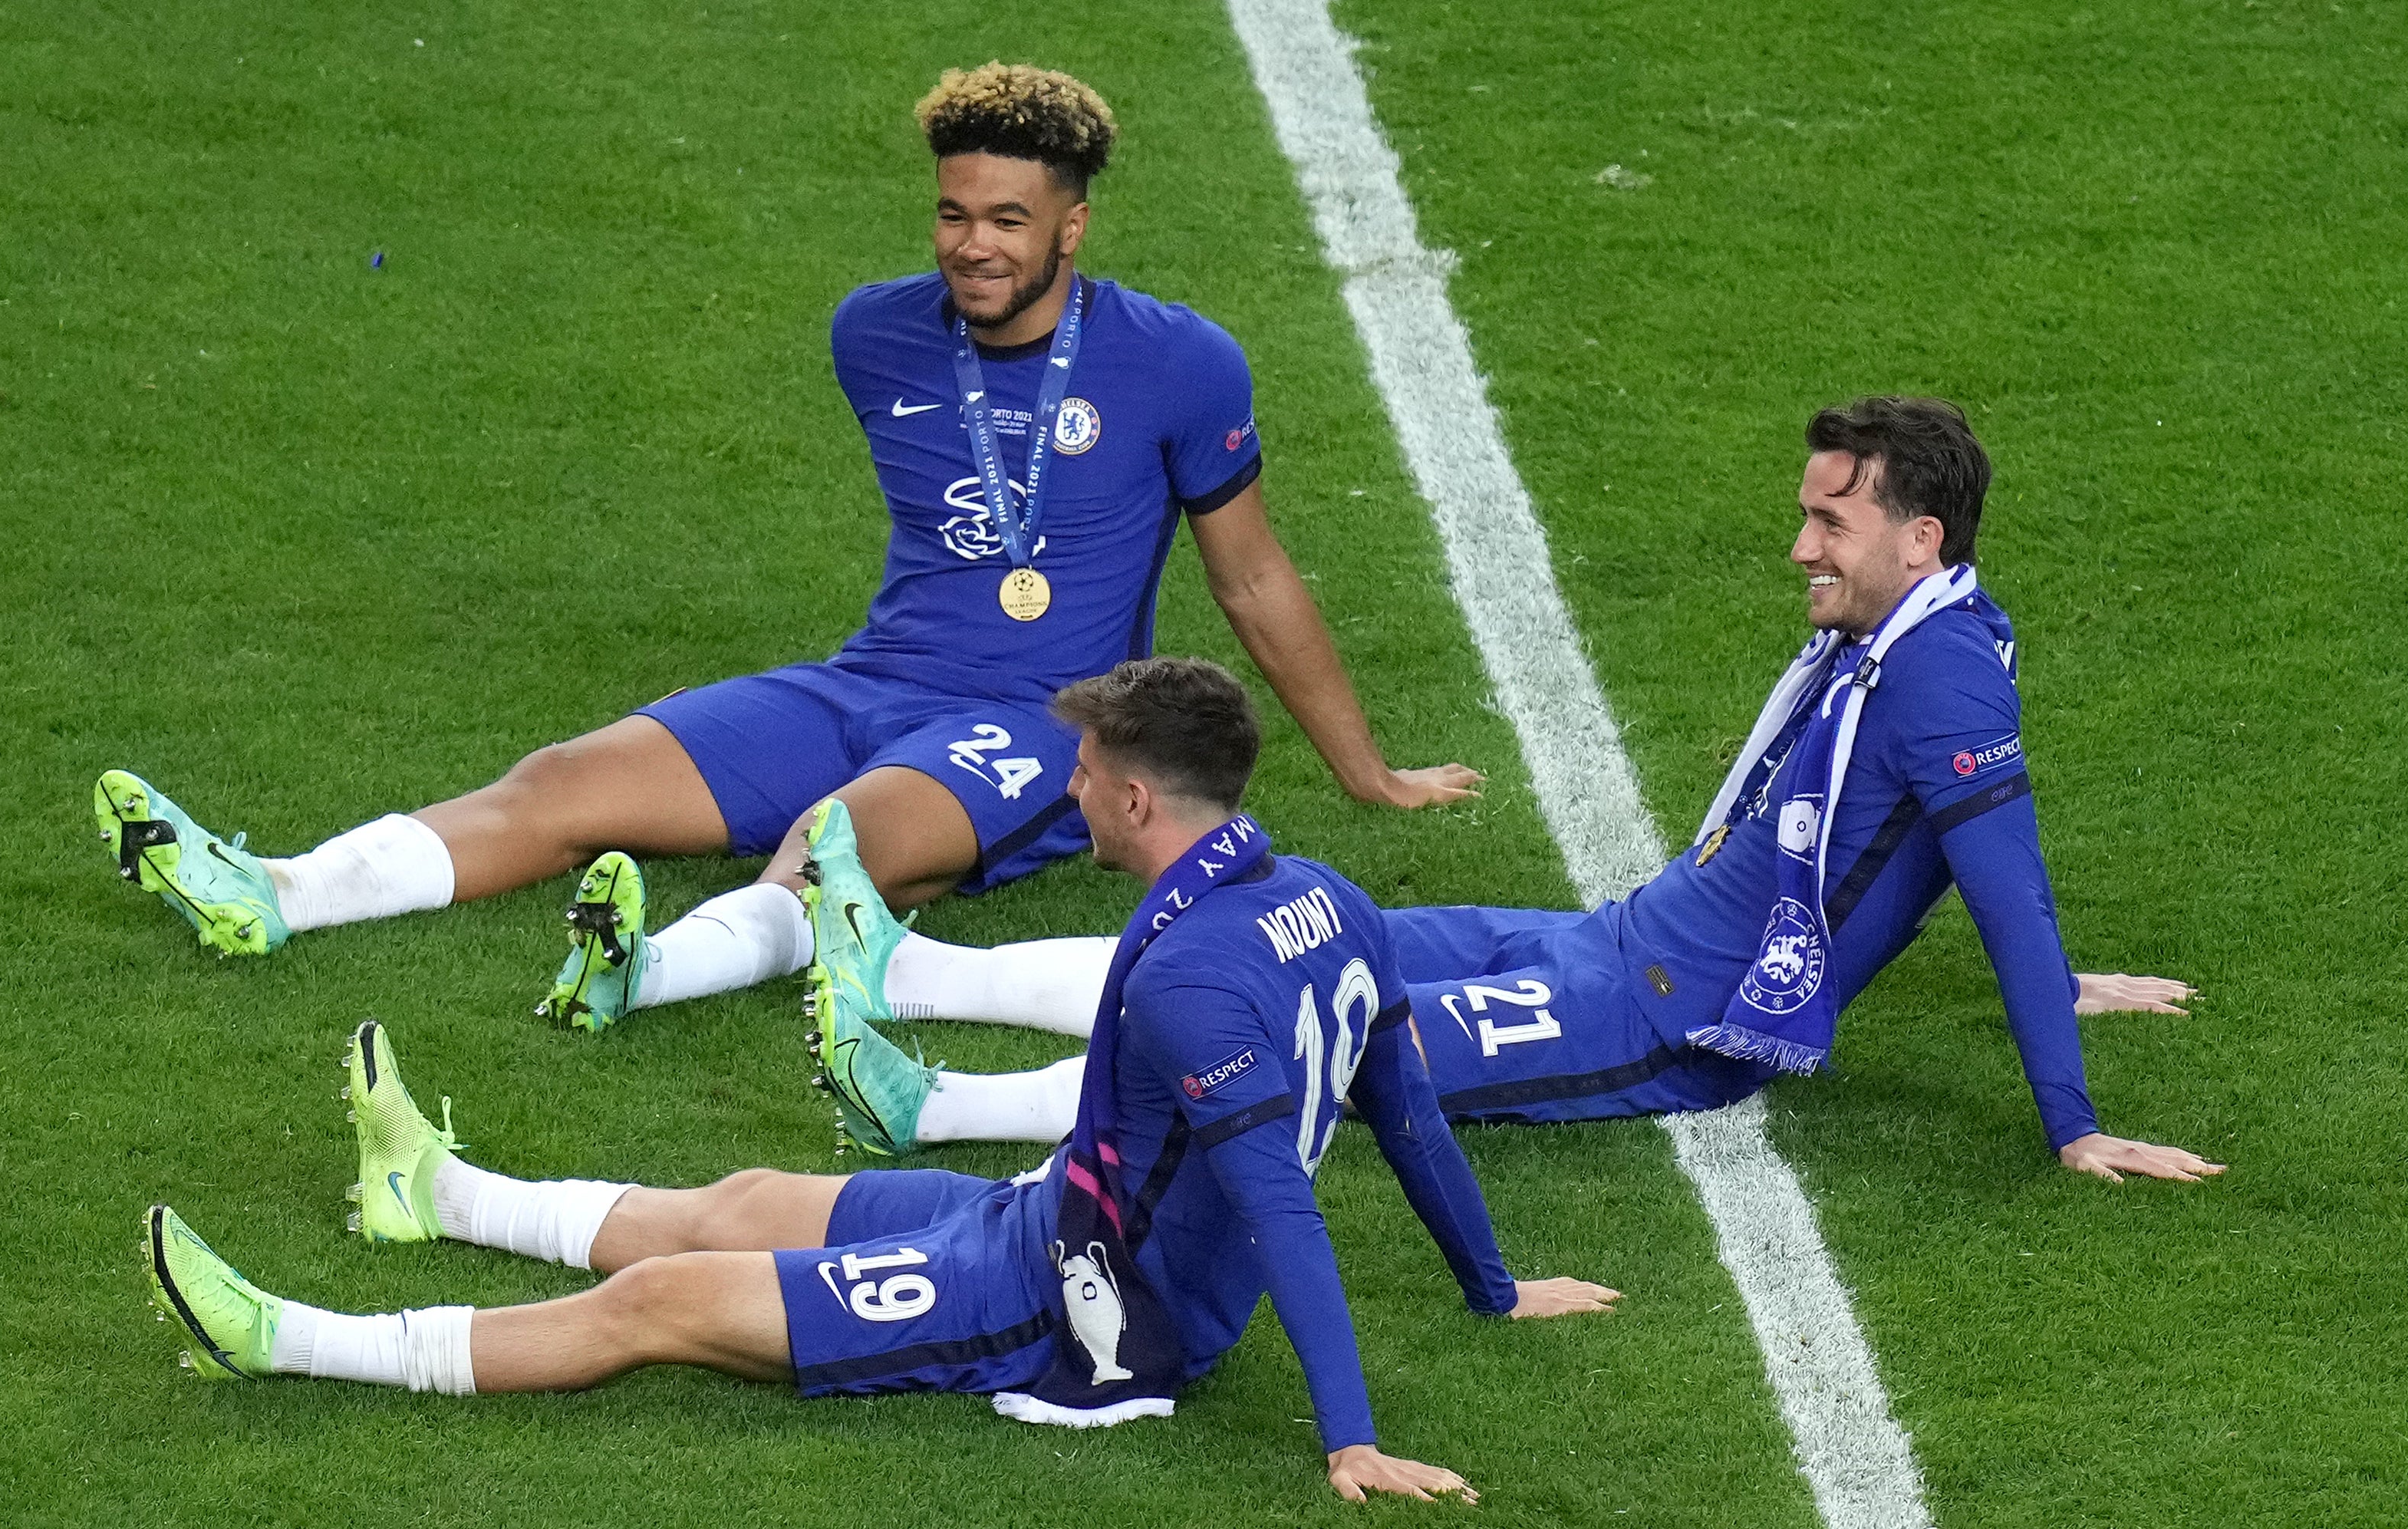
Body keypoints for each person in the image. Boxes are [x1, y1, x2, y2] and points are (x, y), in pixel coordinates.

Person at [87, 62, 1478, 1041]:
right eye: (953, 213)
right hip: (866, 683)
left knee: (842, 850)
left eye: (1007, 220)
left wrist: (1366, 772)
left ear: (1072, 223)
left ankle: (642, 977)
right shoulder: (872, 335)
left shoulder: (1179, 363)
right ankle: (277, 895)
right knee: (568, 779)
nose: (973, 247)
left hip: (1037, 726)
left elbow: (1251, 575)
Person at [140, 660, 1608, 1501]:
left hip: (1074, 1319)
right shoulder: (1325, 898)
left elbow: (1279, 1202)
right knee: (744, 1201)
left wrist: (1349, 1437)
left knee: (661, 1310)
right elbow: (1401, 1101)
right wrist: (1492, 1287)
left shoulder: (1188, 976)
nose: (1069, 785)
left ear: (1141, 800)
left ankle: (292, 1343)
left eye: (1087, 771)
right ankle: (432, 1193)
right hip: (1055, 1222)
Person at [835, 397, 2219, 1183]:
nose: (1799, 544)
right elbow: (1960, 858)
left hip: (1663, 1015)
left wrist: (2073, 1118)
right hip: (1619, 935)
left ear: (1920, 541)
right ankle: (908, 967)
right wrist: (2065, 969)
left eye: (1830, 523)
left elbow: (1993, 865)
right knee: (1290, 938)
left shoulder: (1942, 677)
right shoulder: (1914, 633)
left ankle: (935, 1106)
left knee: (1307, 1033)